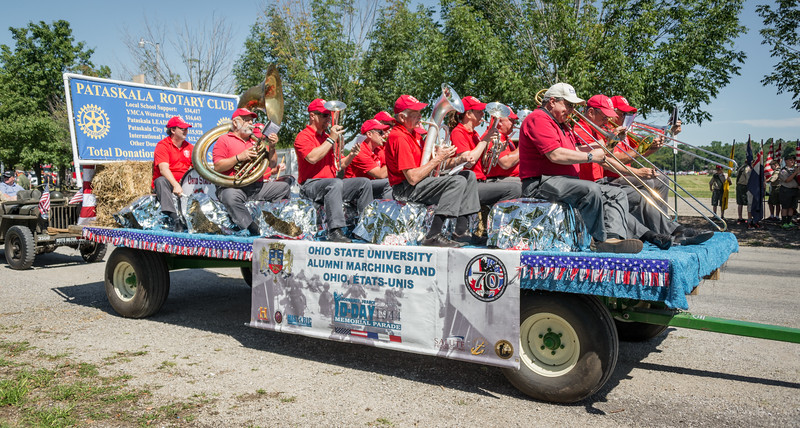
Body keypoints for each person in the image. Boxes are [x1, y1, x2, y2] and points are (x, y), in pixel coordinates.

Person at [518, 83, 643, 254]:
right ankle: (599, 240)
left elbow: (574, 150)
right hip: (540, 182)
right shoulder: (538, 118)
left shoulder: (561, 124)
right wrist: (591, 156)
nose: (571, 110)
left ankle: (613, 237)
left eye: (573, 106)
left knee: (616, 193)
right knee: (590, 189)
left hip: (560, 181)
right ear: (552, 101)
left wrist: (606, 143)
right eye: (568, 105)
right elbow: (554, 155)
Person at [385, 94, 480, 247]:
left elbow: (433, 166)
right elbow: (413, 178)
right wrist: (438, 158)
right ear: (402, 117)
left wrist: (458, 160)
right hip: (405, 189)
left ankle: (461, 231)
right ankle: (433, 235)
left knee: (468, 175)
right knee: (457, 181)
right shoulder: (399, 137)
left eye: (420, 114)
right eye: (416, 115)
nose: (421, 117)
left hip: (417, 184)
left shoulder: (414, 135)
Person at [294, 99, 373, 243]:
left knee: (364, 183)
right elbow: (312, 158)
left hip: (330, 185)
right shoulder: (303, 136)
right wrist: (331, 139)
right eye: (324, 115)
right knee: (335, 183)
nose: (329, 119)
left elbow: (339, 164)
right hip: (310, 184)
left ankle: (365, 228)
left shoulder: (327, 138)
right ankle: (334, 231)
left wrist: (351, 155)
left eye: (329, 115)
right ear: (312, 116)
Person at [449, 96, 522, 242]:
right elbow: (470, 161)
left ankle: (497, 232)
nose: (483, 114)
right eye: (479, 111)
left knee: (515, 186)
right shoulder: (458, 132)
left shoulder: (474, 134)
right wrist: (485, 140)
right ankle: (498, 233)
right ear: (468, 114)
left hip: (478, 182)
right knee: (514, 189)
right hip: (468, 184)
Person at [213, 108, 291, 236]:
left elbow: (272, 164)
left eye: (252, 120)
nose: (251, 123)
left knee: (283, 188)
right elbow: (218, 167)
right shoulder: (224, 140)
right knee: (230, 196)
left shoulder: (255, 142)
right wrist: (239, 157)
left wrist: (272, 147)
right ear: (235, 123)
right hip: (234, 186)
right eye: (246, 120)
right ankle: (251, 228)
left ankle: (276, 223)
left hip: (256, 186)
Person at [152, 116, 194, 231]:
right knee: (160, 181)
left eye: (186, 128)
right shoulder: (162, 145)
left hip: (184, 181)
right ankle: (175, 219)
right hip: (169, 183)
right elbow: (163, 169)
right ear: (173, 130)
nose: (186, 131)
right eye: (182, 129)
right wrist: (176, 185)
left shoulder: (190, 147)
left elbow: (198, 168)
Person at [344, 119, 393, 200]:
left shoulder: (378, 150)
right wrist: (398, 159)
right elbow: (380, 174)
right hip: (352, 190)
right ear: (369, 134)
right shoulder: (360, 150)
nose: (384, 135)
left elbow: (388, 170)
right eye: (380, 132)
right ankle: (385, 210)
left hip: (367, 186)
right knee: (389, 183)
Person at [482, 109, 520, 182]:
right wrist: (524, 145)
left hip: (510, 178)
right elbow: (505, 163)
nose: (515, 122)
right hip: (500, 180)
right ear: (499, 122)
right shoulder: (492, 136)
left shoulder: (505, 137)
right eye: (511, 120)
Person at [778, 155, 799, 229]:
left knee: (792, 207)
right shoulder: (783, 171)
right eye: (790, 160)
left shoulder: (795, 169)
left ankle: (789, 221)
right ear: (786, 161)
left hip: (794, 190)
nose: (792, 161)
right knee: (785, 207)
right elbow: (787, 180)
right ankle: (784, 222)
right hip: (786, 190)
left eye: (793, 160)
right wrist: (795, 173)